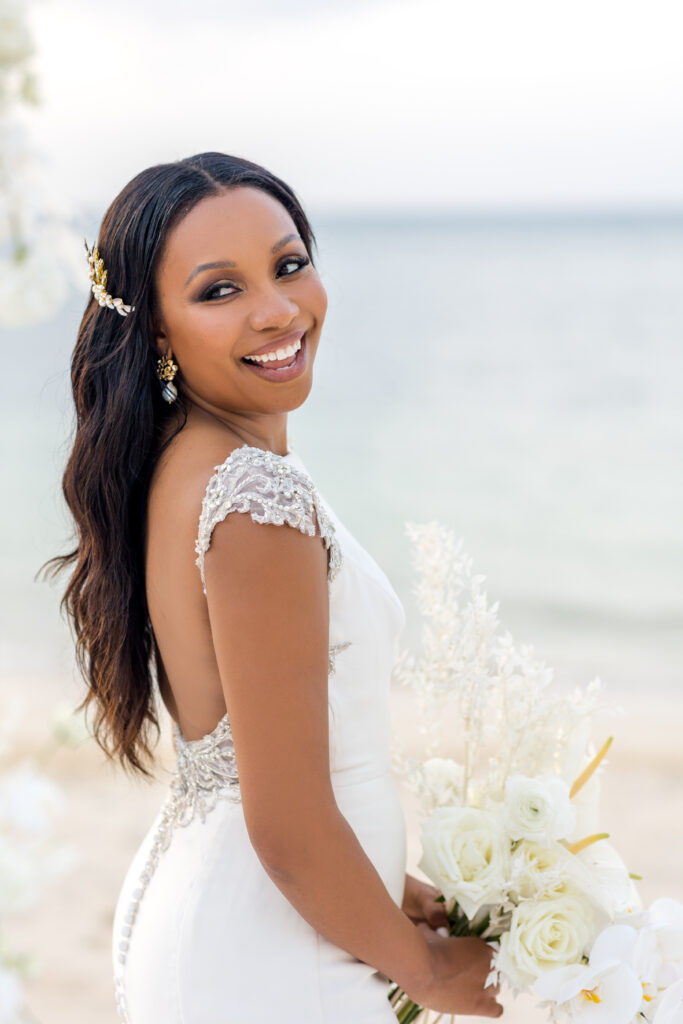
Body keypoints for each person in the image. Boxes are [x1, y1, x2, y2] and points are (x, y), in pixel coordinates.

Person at [42, 152, 503, 1022]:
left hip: (236, 915)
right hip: (270, 945)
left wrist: (390, 884)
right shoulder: (258, 500)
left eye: (289, 265)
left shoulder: (183, 460)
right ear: (155, 333)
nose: (278, 309)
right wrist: (432, 973)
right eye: (219, 291)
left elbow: (258, 754)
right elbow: (286, 826)